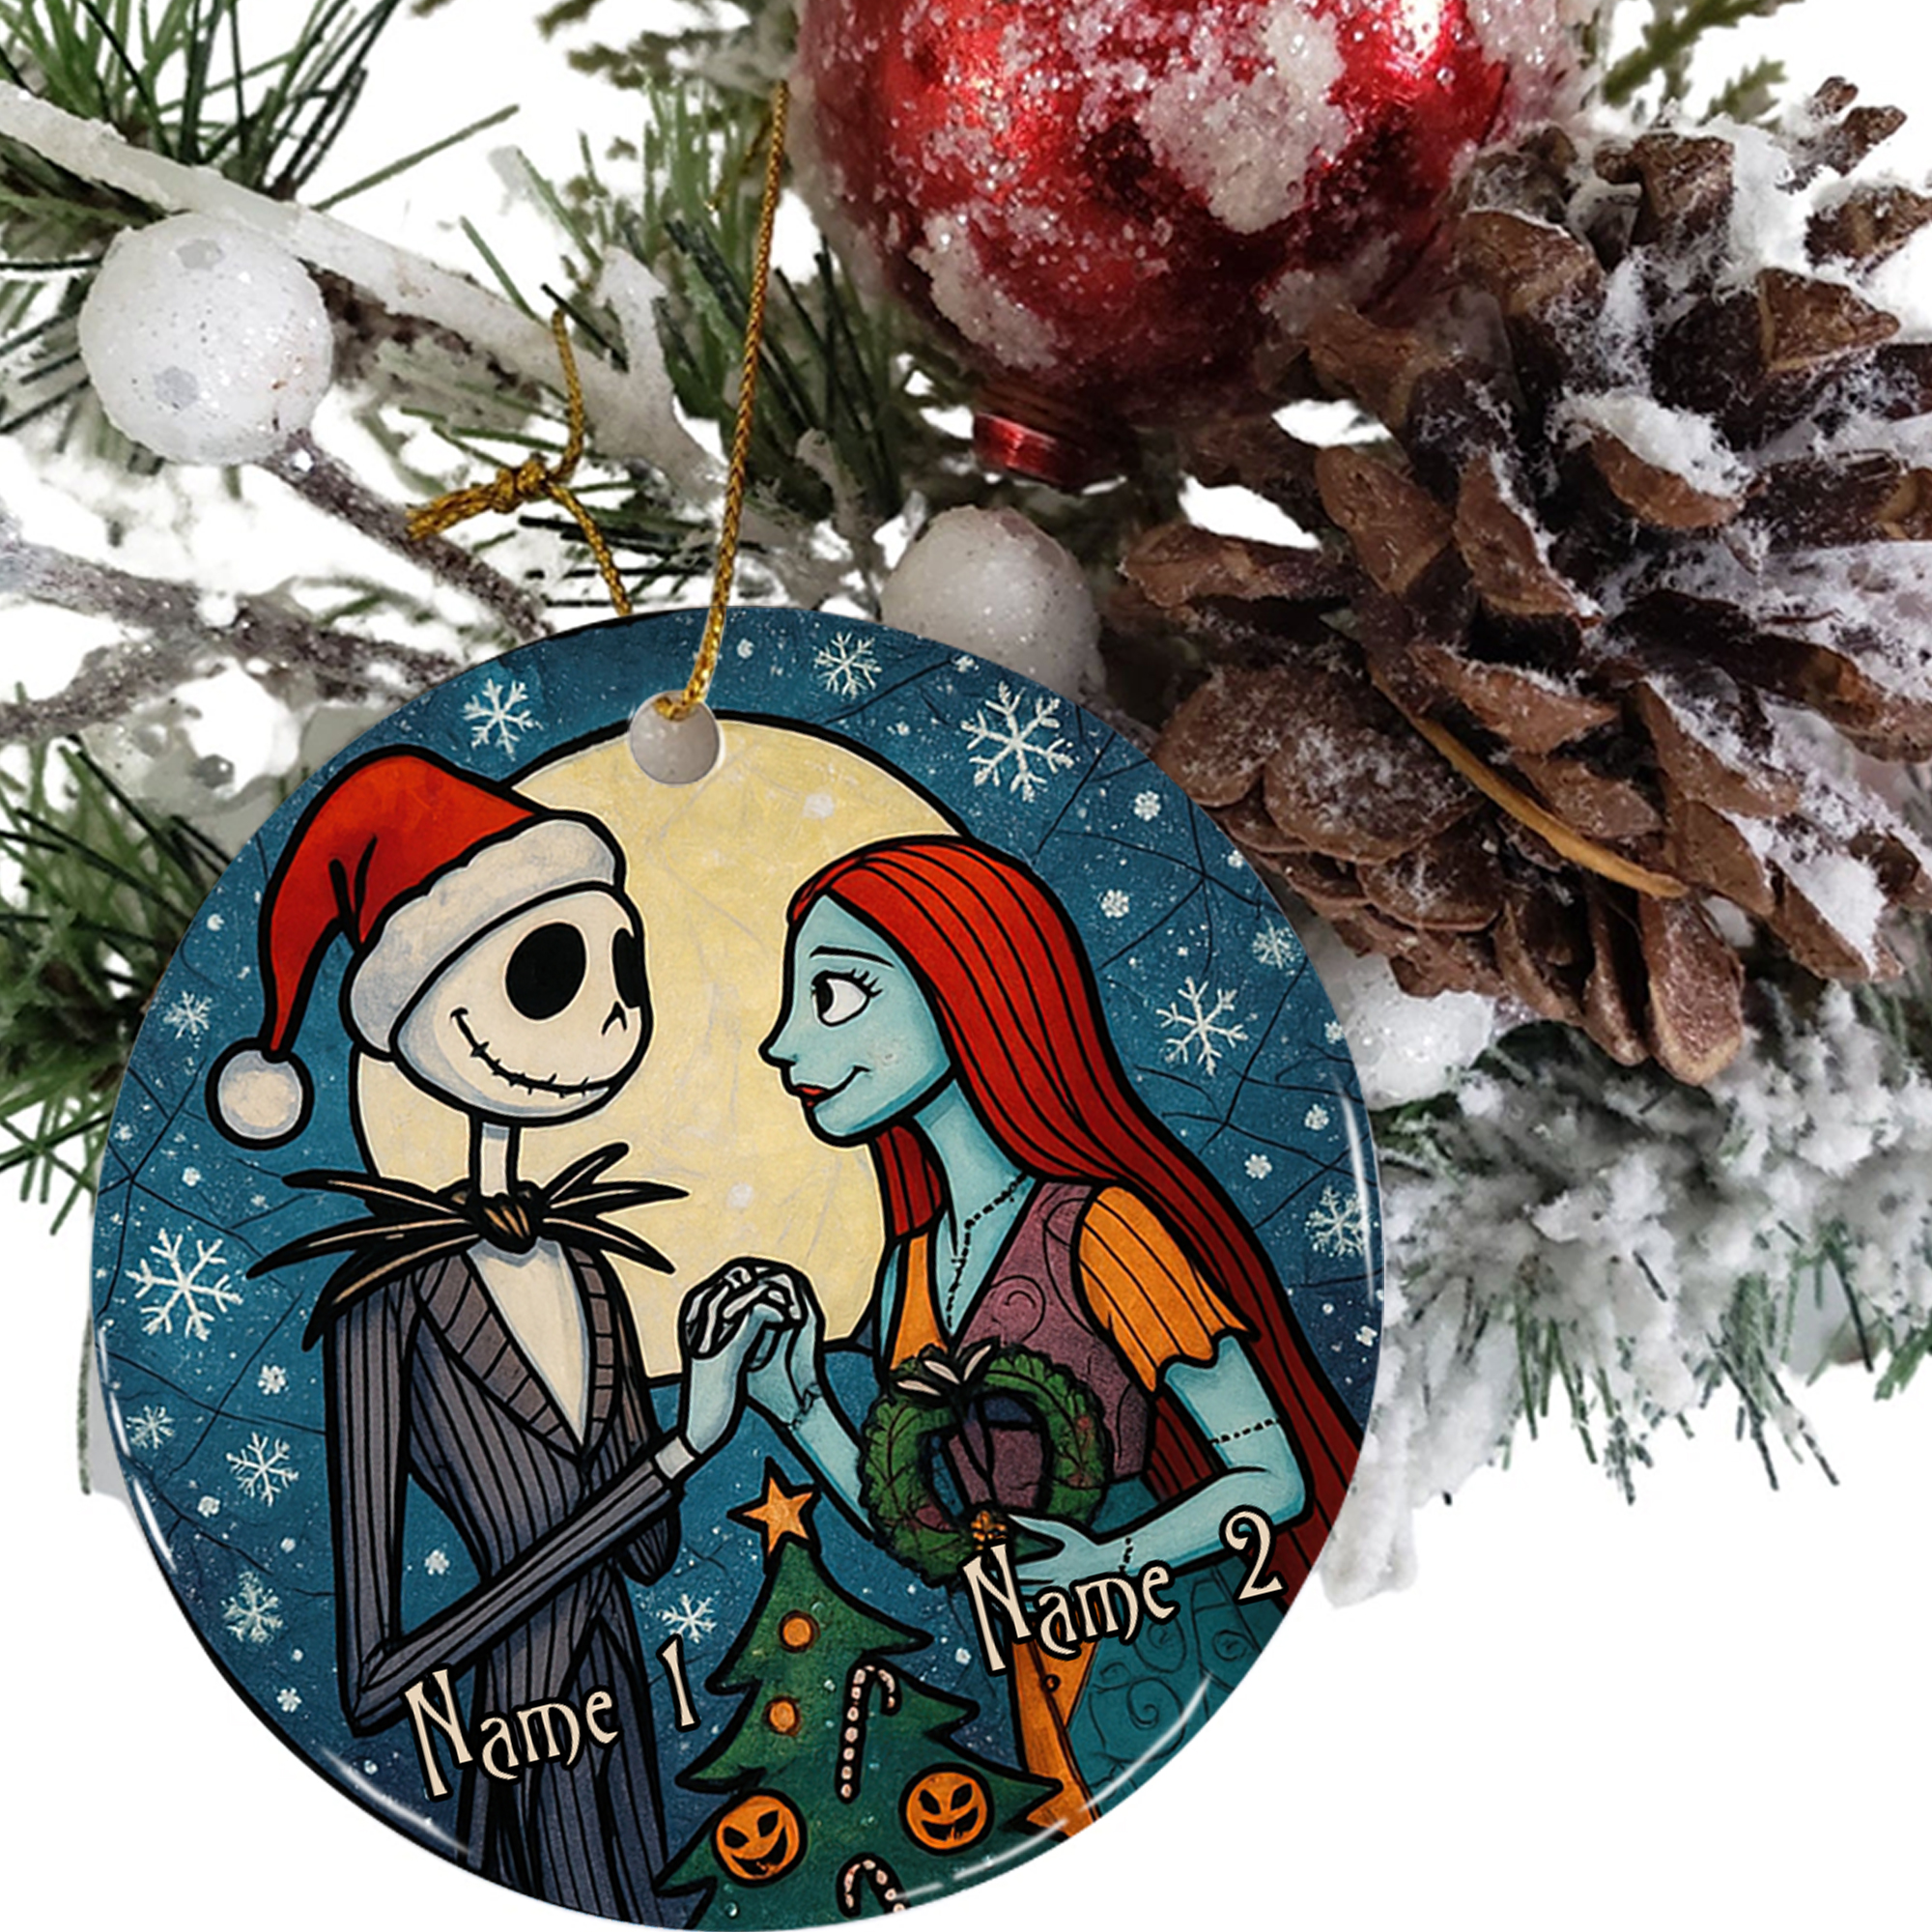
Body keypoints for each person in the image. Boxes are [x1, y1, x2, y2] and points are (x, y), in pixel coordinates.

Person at [689, 834, 1362, 1833]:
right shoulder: (911, 1266)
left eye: (832, 995)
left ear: (964, 987)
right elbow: (923, 1525)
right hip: (1034, 1680)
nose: (783, 1043)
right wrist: (797, 1402)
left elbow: (1272, 1478)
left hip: (1164, 1651)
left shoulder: (1105, 1229)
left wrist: (1108, 1561)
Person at [213, 749, 785, 1924]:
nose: (609, 1011)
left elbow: (647, 1553)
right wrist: (682, 1447)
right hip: (513, 1747)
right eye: (547, 971)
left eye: (620, 965)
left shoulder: (590, 1261)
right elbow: (373, 1676)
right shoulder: (386, 1303)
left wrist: (695, 1400)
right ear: (415, 1006)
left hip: (626, 1729)